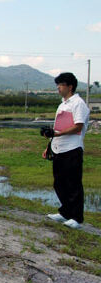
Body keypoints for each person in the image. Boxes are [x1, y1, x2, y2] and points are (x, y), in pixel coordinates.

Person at [42, 72, 90, 229]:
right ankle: (65, 212)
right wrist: (49, 145)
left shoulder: (78, 103)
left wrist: (59, 133)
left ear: (70, 86)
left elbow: (78, 125)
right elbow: (57, 128)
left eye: (61, 84)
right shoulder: (62, 105)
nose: (58, 87)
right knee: (59, 182)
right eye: (58, 84)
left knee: (73, 183)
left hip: (72, 148)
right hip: (58, 148)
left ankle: (76, 218)